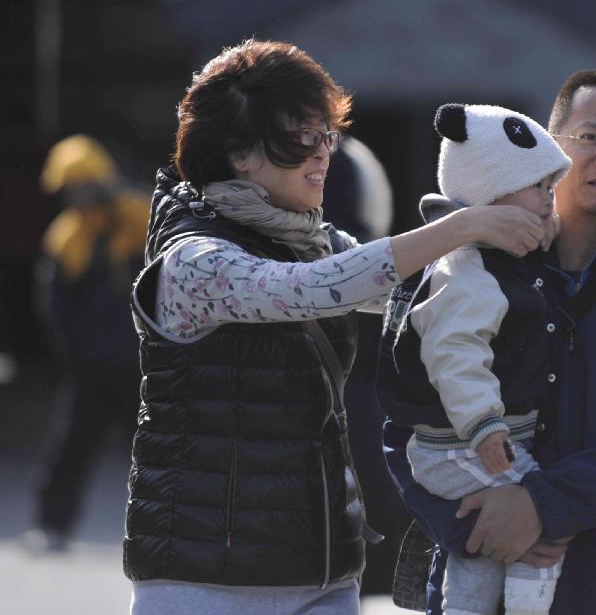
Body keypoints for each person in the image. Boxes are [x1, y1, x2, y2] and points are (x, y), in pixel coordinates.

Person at [124, 39, 552, 615]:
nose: (324, 154)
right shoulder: (192, 261)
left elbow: (416, 292)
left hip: (325, 572)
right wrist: (464, 226)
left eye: (328, 136)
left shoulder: (315, 242)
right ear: (239, 153)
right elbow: (309, 289)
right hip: (201, 580)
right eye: (302, 139)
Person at [381, 70, 596, 614]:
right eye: (590, 138)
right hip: (482, 573)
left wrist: (540, 507)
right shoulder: (464, 270)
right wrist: (475, 522)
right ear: (549, 154)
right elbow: (406, 413)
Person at [379, 103, 571, 615]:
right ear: (491, 192)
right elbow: (455, 353)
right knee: (538, 513)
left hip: (463, 443)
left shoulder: (496, 257)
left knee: (480, 544)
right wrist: (484, 423)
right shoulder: (465, 269)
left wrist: (540, 229)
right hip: (463, 442)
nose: (550, 202)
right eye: (539, 189)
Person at [22, 134, 148, 553]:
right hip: (91, 370)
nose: (79, 195)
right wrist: (73, 353)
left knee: (159, 454)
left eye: (85, 185)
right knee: (69, 451)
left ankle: (173, 530)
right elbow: (56, 307)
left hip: (140, 369)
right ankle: (51, 526)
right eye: (70, 189)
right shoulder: (67, 237)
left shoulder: (139, 217)